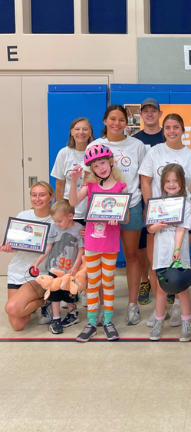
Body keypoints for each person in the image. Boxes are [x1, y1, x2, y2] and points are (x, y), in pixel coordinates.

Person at [139, 112, 191, 324]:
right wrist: (151, 210)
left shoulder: (190, 155)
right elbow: (146, 182)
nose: (172, 131)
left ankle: (177, 305)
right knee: (156, 262)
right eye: (167, 127)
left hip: (181, 217)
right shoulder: (155, 152)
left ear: (182, 130)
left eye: (176, 127)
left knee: (179, 261)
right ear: (163, 130)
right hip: (158, 216)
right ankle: (159, 309)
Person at [92, 104, 148, 326]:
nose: (117, 123)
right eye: (112, 119)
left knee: (132, 256)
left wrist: (145, 204)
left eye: (121, 120)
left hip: (131, 205)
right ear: (105, 120)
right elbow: (90, 178)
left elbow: (144, 178)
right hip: (101, 210)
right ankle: (99, 307)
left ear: (127, 123)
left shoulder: (137, 145)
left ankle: (132, 305)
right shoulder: (95, 146)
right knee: (101, 259)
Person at [68, 142, 128, 342]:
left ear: (111, 162)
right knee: (93, 284)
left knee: (108, 282)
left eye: (103, 163)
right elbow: (73, 203)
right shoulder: (90, 185)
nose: (100, 168)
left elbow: (126, 218)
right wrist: (75, 180)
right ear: (91, 169)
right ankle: (92, 322)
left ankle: (108, 321)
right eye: (95, 166)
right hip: (92, 244)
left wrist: (118, 217)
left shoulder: (121, 186)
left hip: (110, 244)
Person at [146, 163, 191, 342]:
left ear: (182, 182)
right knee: (161, 289)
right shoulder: (158, 203)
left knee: (182, 290)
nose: (171, 184)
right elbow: (150, 230)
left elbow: (181, 230)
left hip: (178, 253)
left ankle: (186, 322)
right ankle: (159, 322)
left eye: (175, 181)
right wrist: (155, 227)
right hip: (161, 253)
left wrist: (176, 249)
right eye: (167, 181)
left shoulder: (185, 204)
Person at [2, 181, 55, 331]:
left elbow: (70, 232)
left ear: (51, 197)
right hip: (17, 271)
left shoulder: (56, 219)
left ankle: (44, 301)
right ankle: (40, 301)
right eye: (34, 195)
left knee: (12, 308)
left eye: (42, 195)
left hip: (39, 275)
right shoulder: (23, 215)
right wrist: (9, 248)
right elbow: (15, 247)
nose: (37, 199)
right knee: (18, 325)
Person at [131, 98, 164, 306]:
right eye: (146, 111)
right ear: (141, 115)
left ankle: (166, 283)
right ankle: (145, 281)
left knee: (167, 242)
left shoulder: (168, 135)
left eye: (154, 110)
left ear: (160, 113)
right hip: (143, 199)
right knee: (143, 245)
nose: (150, 114)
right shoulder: (134, 141)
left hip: (167, 202)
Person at [37, 200, 85, 335]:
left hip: (70, 270)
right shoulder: (53, 227)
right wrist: (37, 261)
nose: (57, 223)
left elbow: (81, 250)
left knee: (71, 294)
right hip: (55, 269)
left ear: (70, 216)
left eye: (59, 221)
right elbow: (48, 247)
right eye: (55, 221)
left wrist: (75, 267)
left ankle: (72, 313)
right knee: (55, 294)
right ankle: (56, 318)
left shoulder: (78, 229)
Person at [51, 116, 96, 225]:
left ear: (90, 132)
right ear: (71, 132)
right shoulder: (64, 153)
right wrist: (61, 208)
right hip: (70, 211)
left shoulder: (96, 152)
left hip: (91, 210)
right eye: (77, 129)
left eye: (85, 129)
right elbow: (60, 183)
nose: (81, 132)